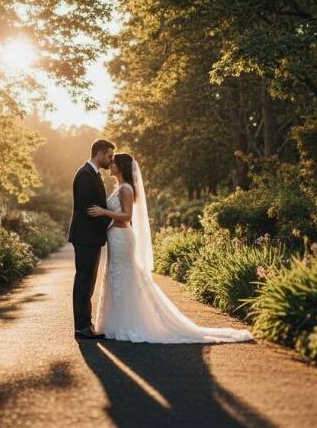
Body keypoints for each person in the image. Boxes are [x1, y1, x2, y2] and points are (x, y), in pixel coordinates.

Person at [87, 152, 252, 343]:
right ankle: (117, 323)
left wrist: (102, 212)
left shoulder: (126, 189)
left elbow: (127, 217)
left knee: (125, 276)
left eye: (113, 162)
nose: (110, 165)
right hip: (115, 237)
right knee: (116, 276)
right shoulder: (119, 188)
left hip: (122, 236)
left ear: (121, 167)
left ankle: (132, 323)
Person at [67, 139, 115, 339]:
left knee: (87, 281)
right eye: (109, 156)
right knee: (84, 282)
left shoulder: (93, 174)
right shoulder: (85, 175)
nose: (111, 160)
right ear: (100, 153)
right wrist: (110, 224)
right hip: (86, 237)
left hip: (90, 237)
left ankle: (85, 324)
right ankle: (82, 327)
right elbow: (88, 210)